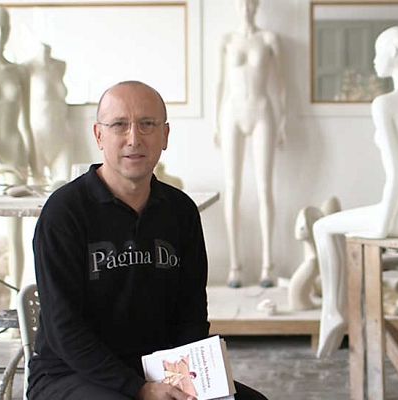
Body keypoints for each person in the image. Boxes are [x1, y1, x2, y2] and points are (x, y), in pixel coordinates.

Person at [29, 81, 267, 400]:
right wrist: (137, 388)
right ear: (99, 135)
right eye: (119, 125)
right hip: (68, 374)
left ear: (165, 135)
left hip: (157, 369)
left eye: (147, 124)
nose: (134, 138)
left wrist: (191, 382)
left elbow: (191, 315)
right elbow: (64, 329)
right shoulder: (64, 212)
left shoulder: (181, 211)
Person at [313, 25, 398, 357]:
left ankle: (333, 311)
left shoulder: (385, 103)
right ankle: (336, 310)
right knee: (331, 226)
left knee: (322, 226)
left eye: (378, 52)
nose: (374, 60)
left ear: (394, 52)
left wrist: (383, 227)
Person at [215, 0, 286, 288]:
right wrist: (215, 123)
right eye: (240, 3)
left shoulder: (269, 39)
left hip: (261, 111)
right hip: (231, 113)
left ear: (257, 6)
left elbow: (281, 84)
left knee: (264, 187)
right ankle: (235, 266)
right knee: (232, 187)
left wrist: (284, 120)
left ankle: (268, 265)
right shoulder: (227, 40)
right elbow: (219, 83)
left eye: (250, 3)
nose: (245, 7)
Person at [0, 6, 45, 298]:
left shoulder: (18, 72)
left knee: (17, 233)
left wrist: (35, 166)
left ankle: (16, 302)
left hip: (14, 152)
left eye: (5, 27)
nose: (0, 33)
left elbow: (26, 123)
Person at [26, 42, 71, 190]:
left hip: (61, 134)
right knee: (36, 186)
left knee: (65, 186)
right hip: (38, 135)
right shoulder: (27, 67)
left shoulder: (60, 65)